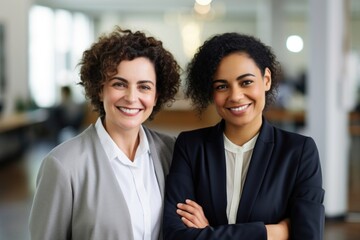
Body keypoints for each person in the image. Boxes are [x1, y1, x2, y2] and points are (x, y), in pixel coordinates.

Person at [163, 32, 325, 240]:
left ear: (266, 80)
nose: (236, 96)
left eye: (246, 82)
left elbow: (308, 235)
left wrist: (207, 232)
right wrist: (271, 232)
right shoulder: (191, 147)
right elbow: (176, 235)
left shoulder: (299, 151)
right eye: (222, 86)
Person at [29, 26, 181, 240]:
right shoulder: (63, 165)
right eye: (119, 84)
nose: (131, 97)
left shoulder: (172, 152)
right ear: (100, 89)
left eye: (144, 87)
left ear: (156, 96)